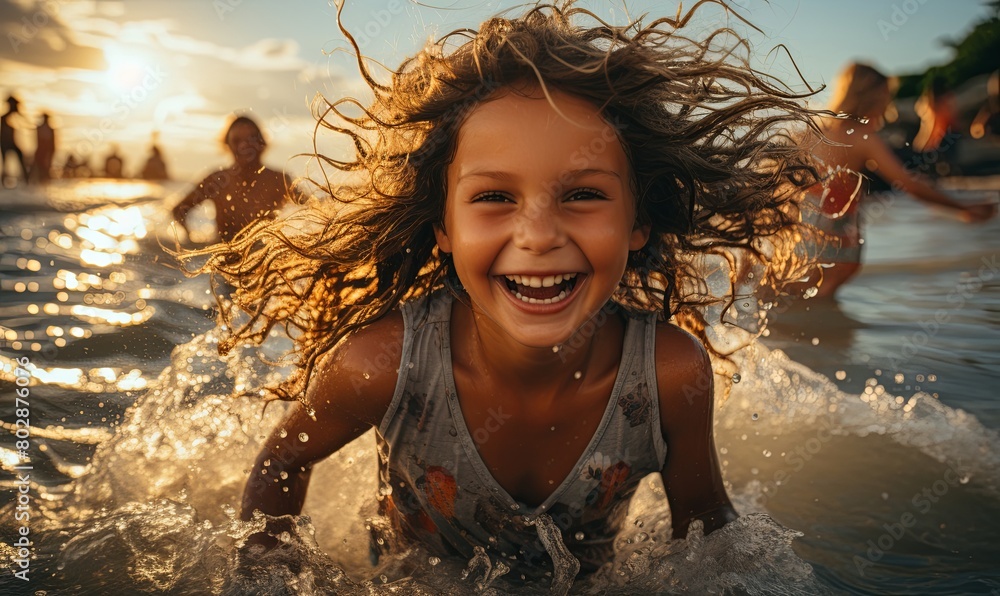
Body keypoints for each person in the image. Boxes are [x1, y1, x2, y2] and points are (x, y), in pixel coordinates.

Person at [216, 3, 822, 587]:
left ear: (639, 220)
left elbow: (709, 536)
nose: (537, 235)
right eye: (494, 197)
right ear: (445, 228)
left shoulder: (667, 375)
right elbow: (282, 461)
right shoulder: (383, 364)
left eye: (583, 194)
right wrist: (273, 575)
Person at [802, 63, 996, 297]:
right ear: (871, 96)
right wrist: (961, 208)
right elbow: (908, 184)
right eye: (886, 96)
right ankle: (815, 327)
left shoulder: (815, 129)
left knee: (803, 280)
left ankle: (788, 325)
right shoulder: (864, 137)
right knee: (832, 278)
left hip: (803, 215)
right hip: (835, 221)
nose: (887, 104)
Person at [171, 116, 290, 243]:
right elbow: (179, 210)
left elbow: (310, 209)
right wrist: (193, 245)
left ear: (261, 143)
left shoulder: (278, 180)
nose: (244, 145)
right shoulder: (216, 181)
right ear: (228, 145)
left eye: (250, 139)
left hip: (266, 257)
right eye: (237, 140)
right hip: (225, 256)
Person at [1, 95, 29, 187]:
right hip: (5, 143)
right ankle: (3, 183)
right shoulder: (5, 117)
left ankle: (26, 181)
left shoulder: (14, 116)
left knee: (20, 159)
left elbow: (27, 123)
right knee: (5, 163)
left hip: (11, 143)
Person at [32, 112, 55, 184]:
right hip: (41, 150)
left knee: (46, 167)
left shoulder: (50, 129)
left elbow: (52, 142)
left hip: (47, 150)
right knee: (40, 166)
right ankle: (41, 181)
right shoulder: (40, 128)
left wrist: (52, 151)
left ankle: (46, 182)